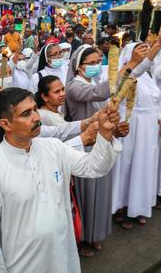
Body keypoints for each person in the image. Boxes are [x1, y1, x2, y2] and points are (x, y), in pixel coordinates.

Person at [0, 87, 122, 273]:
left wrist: (105, 134)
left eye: (35, 109)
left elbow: (95, 167)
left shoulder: (53, 148)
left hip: (63, 257)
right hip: (22, 265)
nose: (36, 117)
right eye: (26, 114)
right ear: (6, 124)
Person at [65, 45, 135, 256]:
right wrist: (131, 64)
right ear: (79, 66)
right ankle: (83, 238)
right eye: (92, 63)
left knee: (101, 192)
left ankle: (95, 235)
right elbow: (99, 93)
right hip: (84, 147)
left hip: (101, 142)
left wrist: (115, 128)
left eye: (98, 62)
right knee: (87, 196)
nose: (96, 66)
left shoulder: (92, 81)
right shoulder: (73, 87)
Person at [112, 42, 160, 225]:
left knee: (145, 165)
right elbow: (136, 71)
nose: (145, 54)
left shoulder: (148, 77)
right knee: (127, 167)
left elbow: (156, 101)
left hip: (149, 129)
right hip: (130, 126)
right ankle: (121, 207)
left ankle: (139, 205)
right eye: (140, 50)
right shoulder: (127, 73)